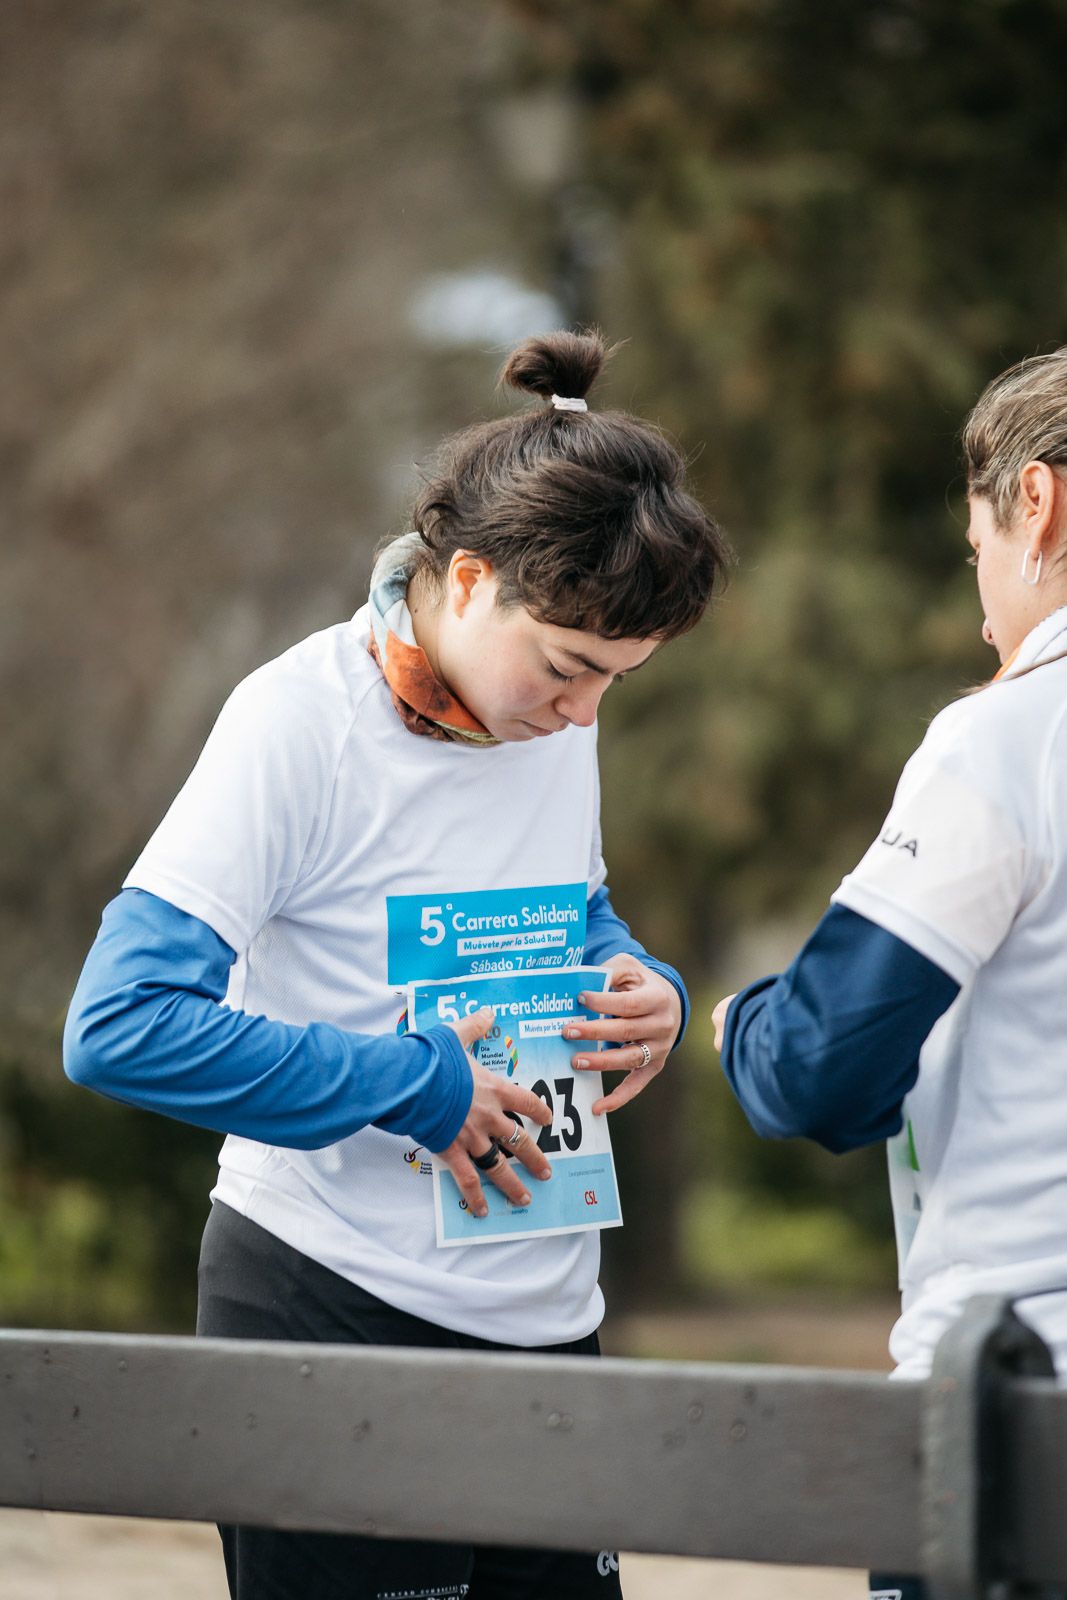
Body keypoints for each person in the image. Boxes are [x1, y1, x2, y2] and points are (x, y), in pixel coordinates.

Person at [64, 329, 731, 1600]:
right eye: (570, 670)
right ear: (468, 579)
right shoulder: (292, 723)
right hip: (327, 1310)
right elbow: (120, 1025)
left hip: (547, 1319)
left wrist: (638, 979)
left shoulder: (533, 700)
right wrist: (415, 1086)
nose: (583, 714)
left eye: (620, 684)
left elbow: (563, 909)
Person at [712, 347, 1067, 1600]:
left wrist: (733, 1025)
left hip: (1015, 1429)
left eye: (973, 543)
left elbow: (818, 1071)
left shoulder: (1007, 737)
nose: (981, 604)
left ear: (1036, 505)